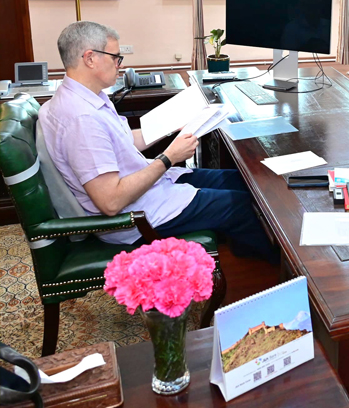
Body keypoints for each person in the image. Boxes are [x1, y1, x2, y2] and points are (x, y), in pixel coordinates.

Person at [38, 21, 277, 261]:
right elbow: (111, 202)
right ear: (90, 58)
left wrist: (169, 125)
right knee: (242, 205)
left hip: (149, 189)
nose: (120, 65)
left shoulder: (84, 98)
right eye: (115, 58)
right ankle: (278, 270)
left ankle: (246, 250)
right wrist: (169, 157)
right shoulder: (81, 119)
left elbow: (123, 141)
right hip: (137, 217)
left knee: (242, 181)